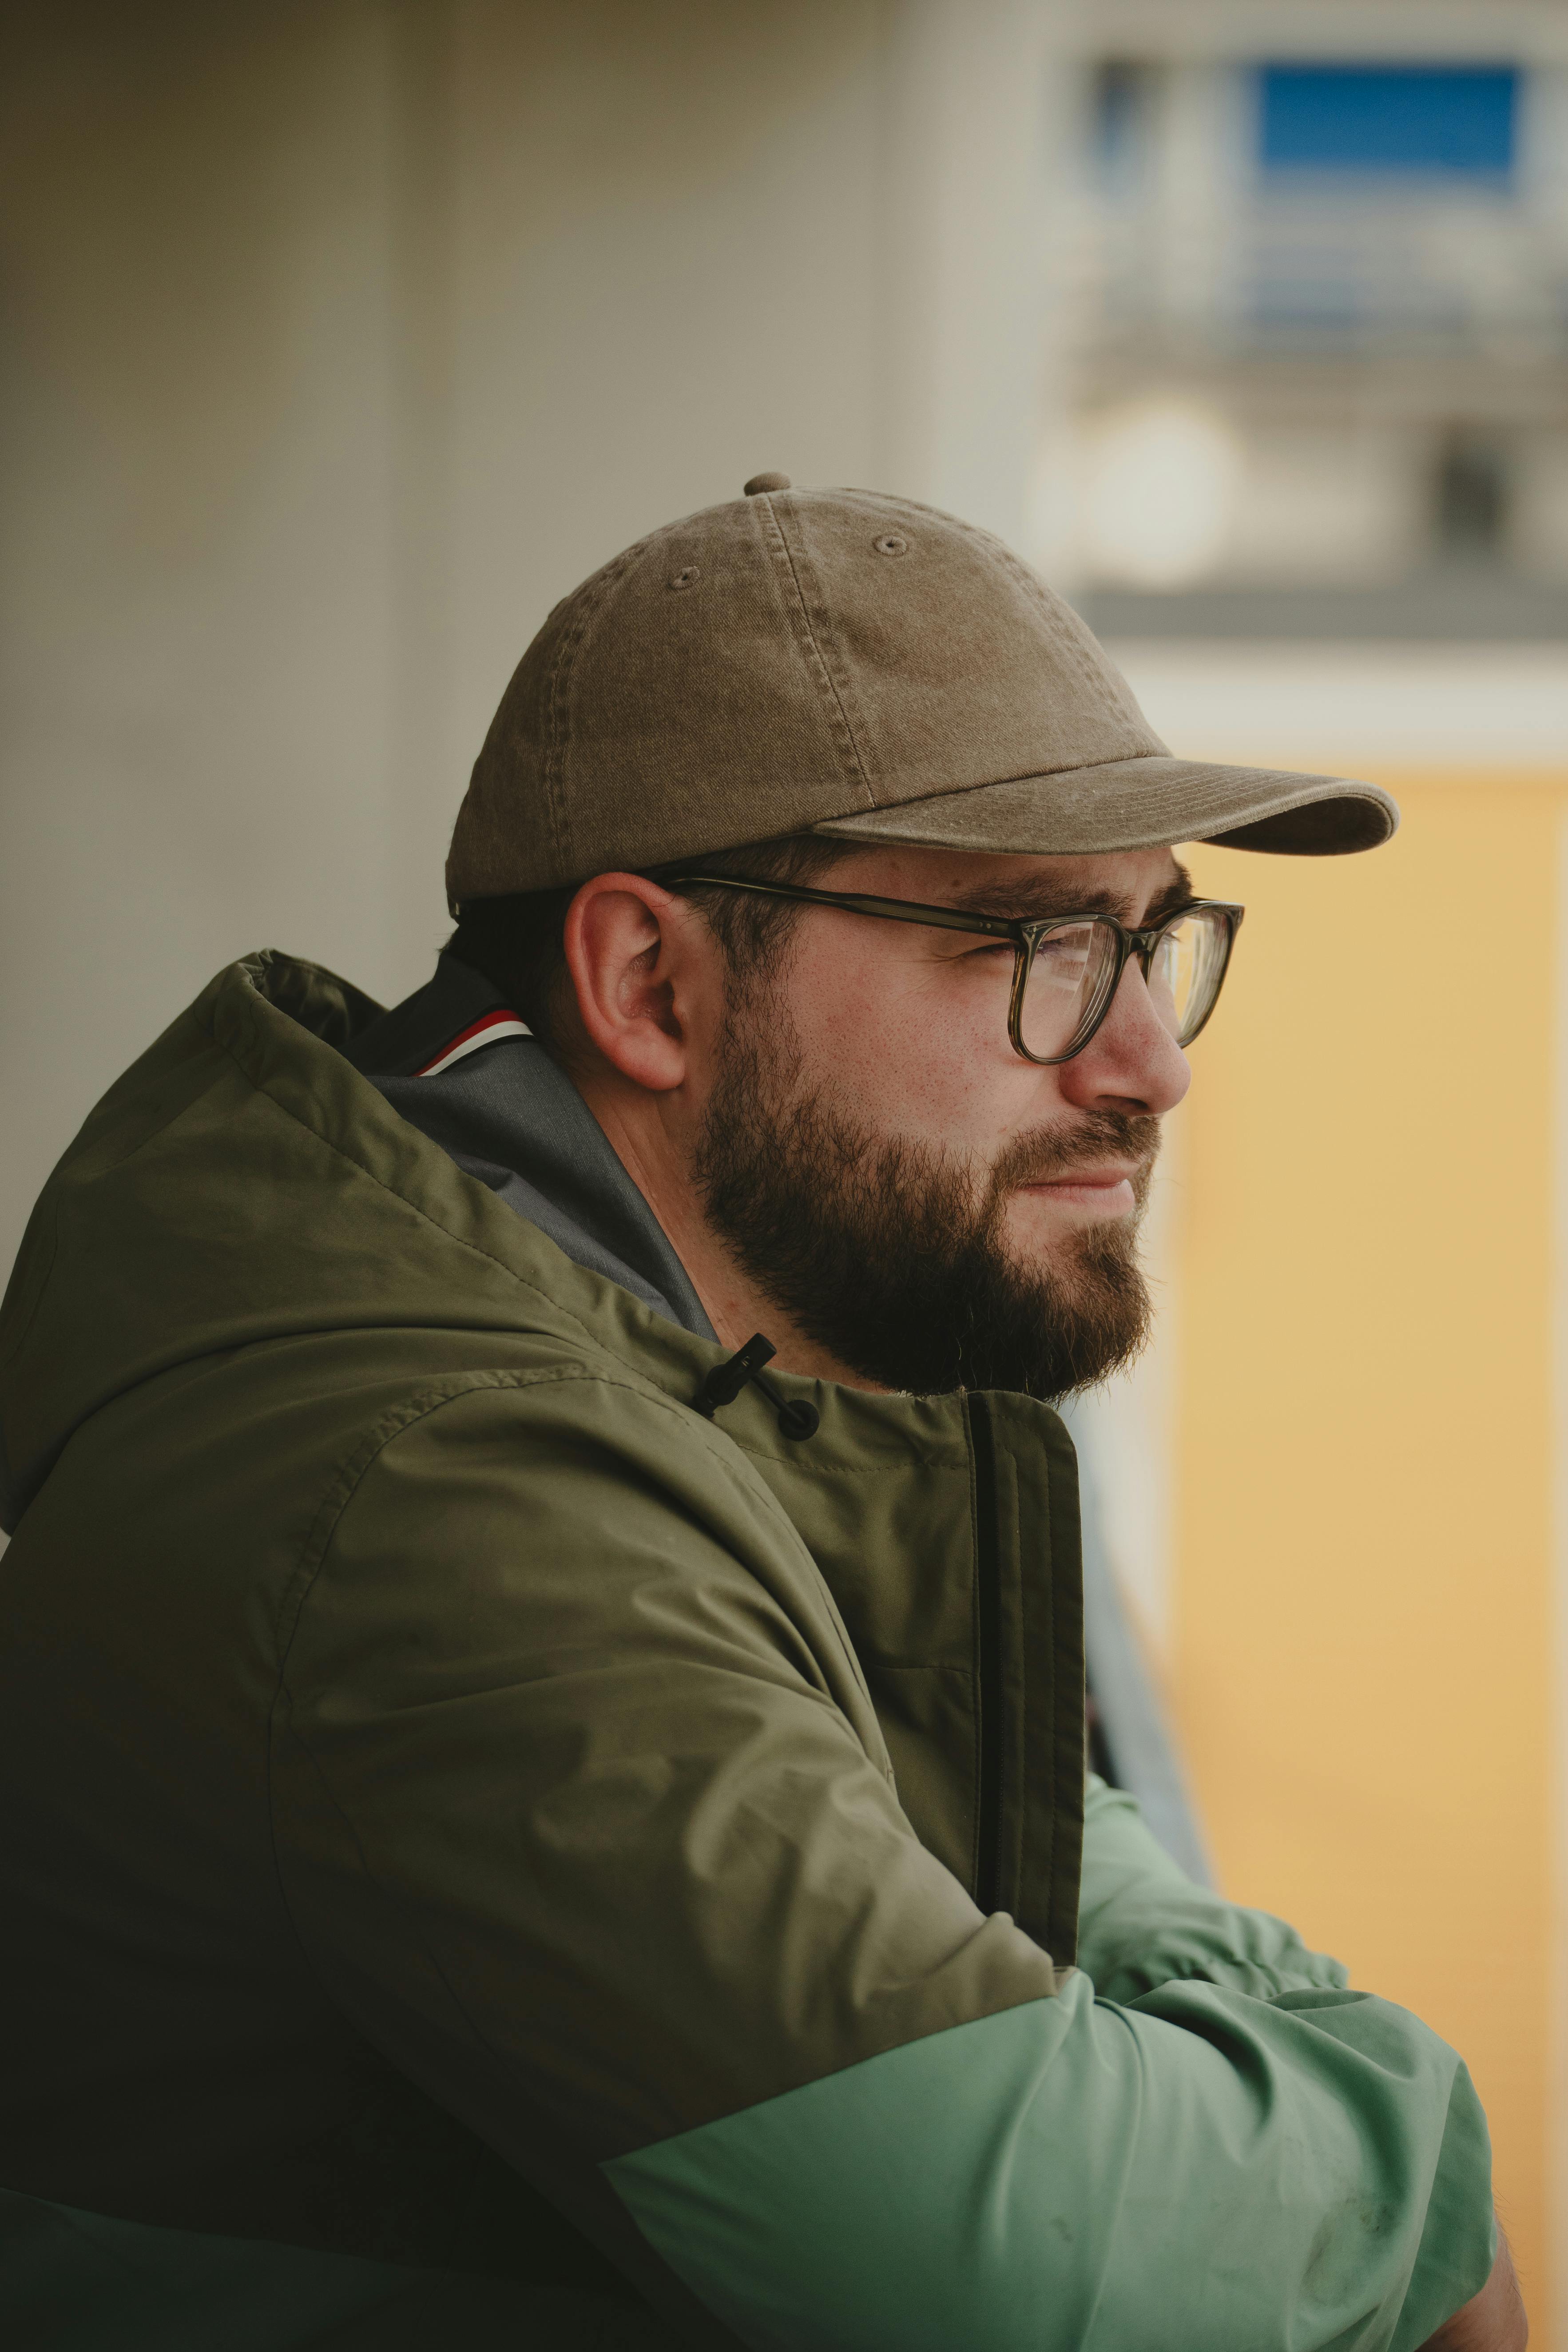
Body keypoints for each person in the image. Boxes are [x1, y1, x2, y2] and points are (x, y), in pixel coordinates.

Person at [0, 476, 1525, 2350]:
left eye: (1155, 944)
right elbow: (1020, 2262)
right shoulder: (445, 1493)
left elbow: (1004, 1840)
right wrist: (1412, 2156)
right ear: (650, 983)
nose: (1146, 1064)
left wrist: (1307, 2081)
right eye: (1034, 946)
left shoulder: (637, 1366)